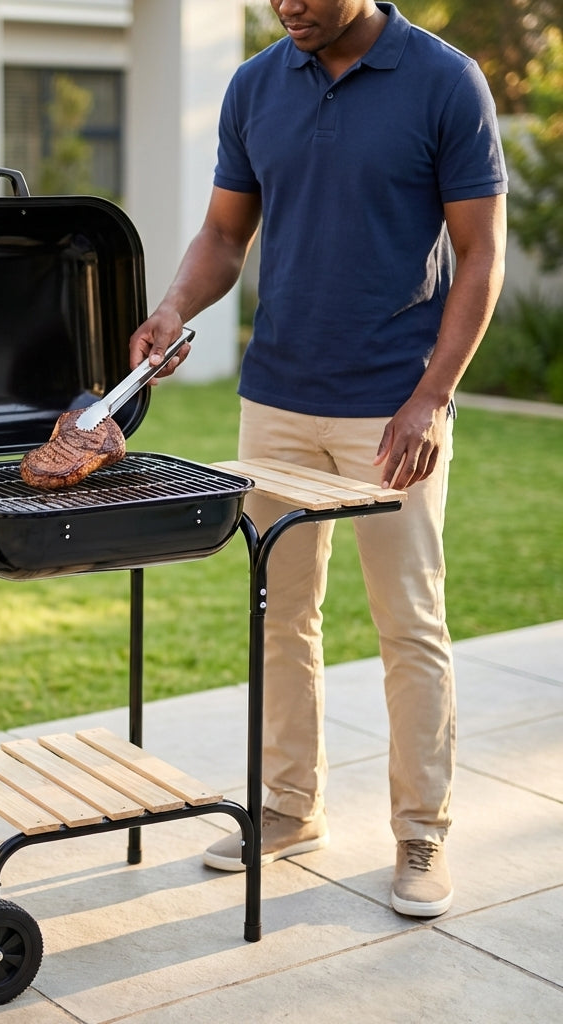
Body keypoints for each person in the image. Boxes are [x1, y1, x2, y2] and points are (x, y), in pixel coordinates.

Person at [131, 0, 507, 917]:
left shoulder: (445, 81)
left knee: (408, 622)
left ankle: (421, 831)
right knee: (280, 614)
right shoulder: (255, 85)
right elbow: (226, 235)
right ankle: (289, 806)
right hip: (277, 401)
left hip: (392, 410)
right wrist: (174, 307)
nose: (286, 5)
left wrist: (431, 397)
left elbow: (480, 253)